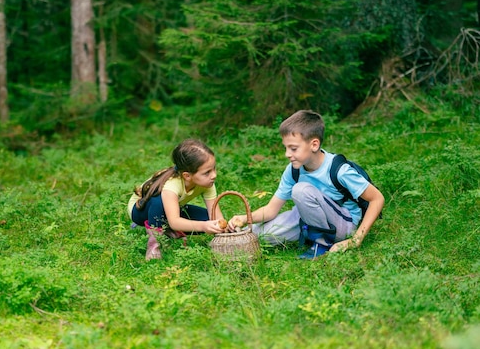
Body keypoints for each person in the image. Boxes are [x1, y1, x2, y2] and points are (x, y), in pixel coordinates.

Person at [228, 110, 384, 259]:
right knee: (258, 235)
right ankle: (229, 242)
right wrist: (244, 218)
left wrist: (355, 240)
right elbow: (270, 210)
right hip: (307, 218)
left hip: (343, 224)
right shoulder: (293, 170)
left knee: (301, 191)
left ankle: (321, 243)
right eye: (286, 148)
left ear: (314, 145)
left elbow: (377, 199)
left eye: (293, 148)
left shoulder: (339, 170)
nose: (287, 154)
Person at [128, 138, 226, 260]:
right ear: (187, 176)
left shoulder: (208, 183)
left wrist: (224, 228)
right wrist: (203, 226)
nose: (214, 175)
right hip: (140, 211)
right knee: (158, 200)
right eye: (207, 172)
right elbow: (175, 222)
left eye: (214, 168)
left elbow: (216, 216)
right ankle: (154, 244)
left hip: (171, 208)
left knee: (208, 221)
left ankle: (166, 229)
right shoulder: (171, 185)